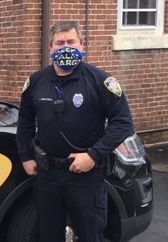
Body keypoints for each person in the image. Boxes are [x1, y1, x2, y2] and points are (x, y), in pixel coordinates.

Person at [16, 21, 134, 242]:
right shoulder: (36, 82)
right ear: (50, 48)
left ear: (82, 45)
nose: (65, 47)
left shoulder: (100, 81)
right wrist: (25, 156)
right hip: (48, 175)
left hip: (85, 177)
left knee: (91, 234)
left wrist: (93, 155)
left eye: (71, 42)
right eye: (59, 43)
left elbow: (123, 123)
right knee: (48, 235)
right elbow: (24, 121)